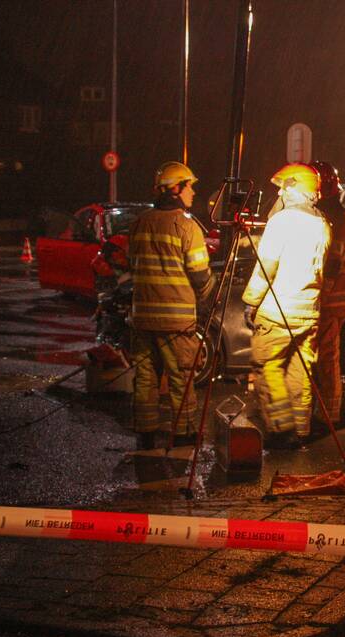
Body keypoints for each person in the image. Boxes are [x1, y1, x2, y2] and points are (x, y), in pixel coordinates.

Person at [243, 163, 331, 450]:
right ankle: (301, 430)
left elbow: (266, 268)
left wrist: (251, 302)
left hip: (278, 310)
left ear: (297, 188)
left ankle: (281, 430)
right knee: (300, 372)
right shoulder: (322, 224)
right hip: (309, 313)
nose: (279, 191)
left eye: (284, 186)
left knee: (268, 367)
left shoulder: (282, 221)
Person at [129, 161, 214, 450]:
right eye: (189, 186)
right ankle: (184, 432)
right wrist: (207, 297)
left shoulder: (140, 222)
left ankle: (146, 432)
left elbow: (133, 263)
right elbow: (200, 275)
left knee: (145, 378)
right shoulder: (186, 227)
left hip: (141, 318)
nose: (193, 192)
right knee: (181, 378)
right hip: (176, 322)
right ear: (176, 189)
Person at [310, 160, 345, 430]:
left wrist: (320, 296)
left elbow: (333, 262)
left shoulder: (333, 217)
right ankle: (325, 410)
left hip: (330, 302)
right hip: (334, 301)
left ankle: (329, 415)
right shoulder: (333, 213)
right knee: (324, 358)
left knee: (326, 359)